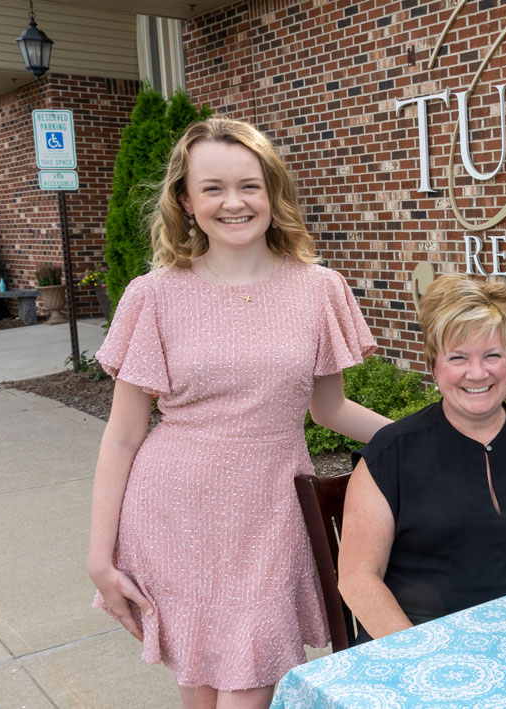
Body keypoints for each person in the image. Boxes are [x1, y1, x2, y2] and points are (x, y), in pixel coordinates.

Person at [87, 118, 392, 708]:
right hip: (174, 516)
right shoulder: (153, 295)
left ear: (273, 192)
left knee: (249, 688)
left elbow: (329, 408)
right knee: (199, 688)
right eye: (213, 188)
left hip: (271, 511)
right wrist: (100, 558)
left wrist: (432, 433)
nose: (234, 203)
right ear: (185, 200)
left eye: (250, 186)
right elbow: (123, 437)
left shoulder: (319, 287)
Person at [338, 274, 506, 640]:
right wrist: (420, 653)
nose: (478, 372)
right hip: (421, 644)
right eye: (458, 358)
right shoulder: (391, 454)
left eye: (492, 355)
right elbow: (358, 578)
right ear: (434, 364)